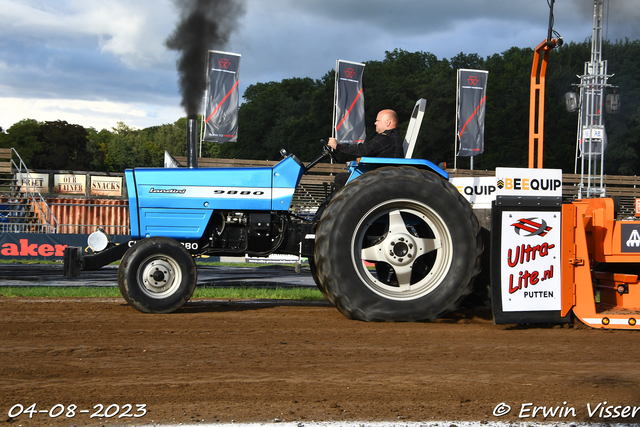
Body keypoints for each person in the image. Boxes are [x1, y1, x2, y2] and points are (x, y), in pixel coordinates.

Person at [327, 109, 404, 190]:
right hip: (384, 174)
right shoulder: (393, 137)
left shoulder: (386, 137)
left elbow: (365, 149)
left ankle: (342, 203)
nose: (375, 123)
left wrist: (338, 146)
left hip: (381, 177)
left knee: (340, 178)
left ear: (388, 123)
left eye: (378, 121)